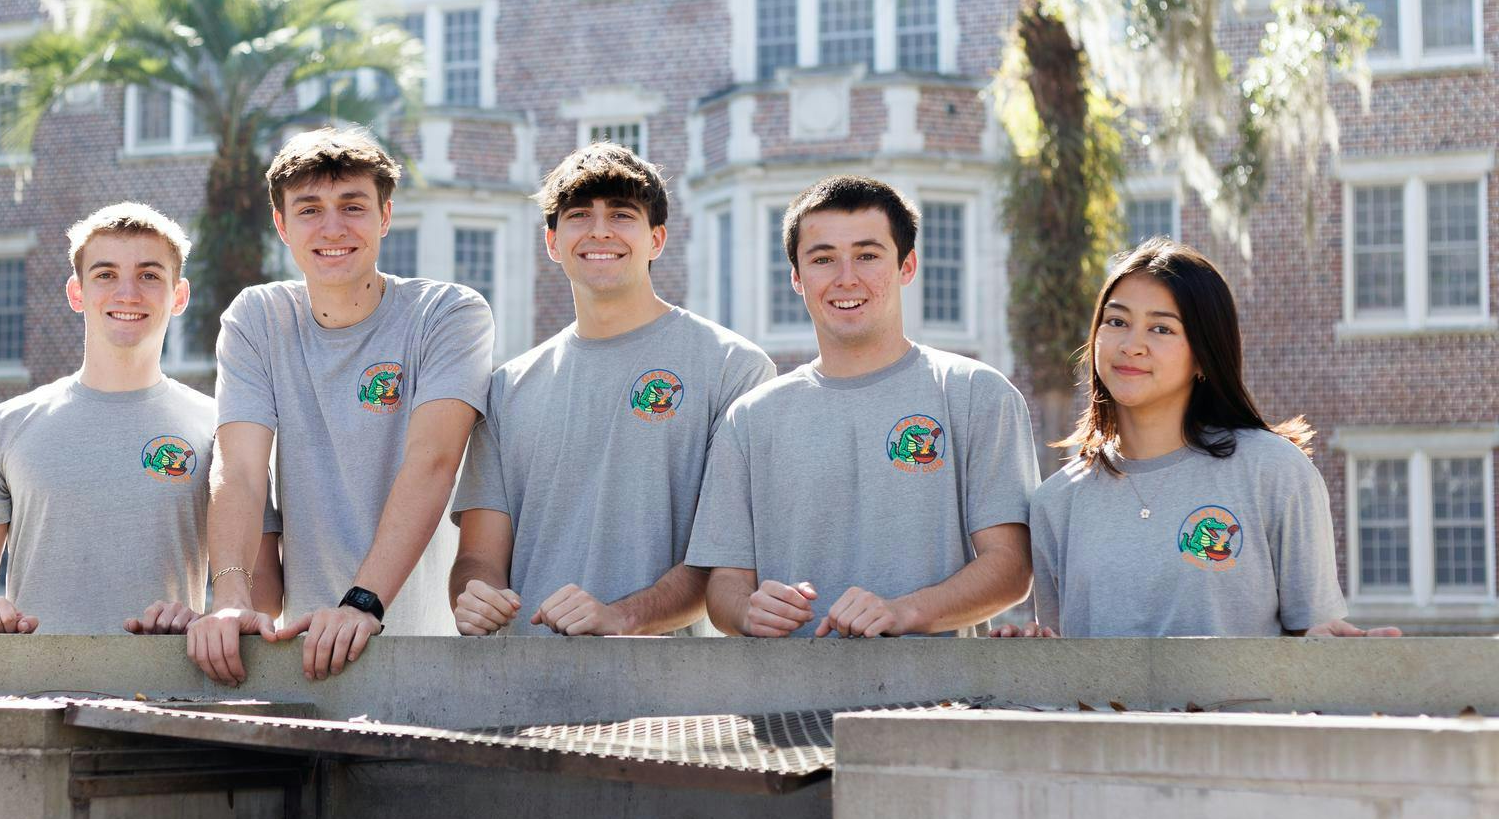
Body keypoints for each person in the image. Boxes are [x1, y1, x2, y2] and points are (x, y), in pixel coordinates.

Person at [194, 127, 493, 684]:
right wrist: (231, 598)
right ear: (282, 225)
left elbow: (432, 461)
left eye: (352, 206)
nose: (332, 228)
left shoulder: (448, 313)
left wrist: (362, 602)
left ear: (385, 216)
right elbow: (239, 469)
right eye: (310, 209)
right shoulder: (257, 318)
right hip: (305, 655)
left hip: (430, 658)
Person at [688, 176, 1038, 637]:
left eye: (868, 256)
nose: (846, 278)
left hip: (937, 684)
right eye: (823, 259)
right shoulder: (750, 419)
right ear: (796, 277)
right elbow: (724, 587)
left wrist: (904, 612)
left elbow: (1011, 568)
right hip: (787, 683)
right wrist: (748, 611)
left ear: (907, 266)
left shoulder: (976, 394)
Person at [997, 238, 1400, 639]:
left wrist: (1334, 648)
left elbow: (1312, 640)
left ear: (1204, 354)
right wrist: (1028, 647)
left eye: (1161, 328)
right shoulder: (1056, 503)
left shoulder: (1275, 472)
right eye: (1117, 322)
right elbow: (1061, 661)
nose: (1131, 346)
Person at [450, 143, 774, 637]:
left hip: (669, 682)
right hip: (522, 676)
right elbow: (477, 556)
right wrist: (475, 596)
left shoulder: (733, 368)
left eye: (621, 215)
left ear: (657, 239)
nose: (600, 230)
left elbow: (725, 561)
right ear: (552, 242)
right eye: (579, 215)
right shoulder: (506, 389)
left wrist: (619, 618)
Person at [0, 203, 277, 634]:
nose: (128, 294)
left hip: (172, 674)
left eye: (149, 275)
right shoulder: (3, 426)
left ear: (179, 295)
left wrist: (204, 624)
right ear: (76, 293)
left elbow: (265, 593)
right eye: (105, 274)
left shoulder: (225, 429)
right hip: (34, 674)